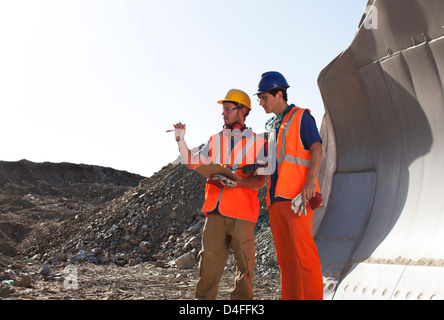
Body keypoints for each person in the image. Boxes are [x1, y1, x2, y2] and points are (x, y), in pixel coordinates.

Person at [172, 89, 267, 300]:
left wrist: (239, 182)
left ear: (242, 111)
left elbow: (260, 179)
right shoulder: (215, 140)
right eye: (222, 109)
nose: (223, 113)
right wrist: (180, 140)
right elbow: (192, 162)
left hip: (243, 213)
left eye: (227, 109)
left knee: (245, 267)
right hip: (215, 211)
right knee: (208, 265)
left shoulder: (258, 142)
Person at [255, 71, 324, 300]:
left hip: (297, 200)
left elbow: (316, 148)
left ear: (279, 94)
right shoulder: (274, 127)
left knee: (305, 258)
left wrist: (310, 183)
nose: (261, 103)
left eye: (264, 97)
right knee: (287, 263)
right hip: (276, 202)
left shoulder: (301, 117)